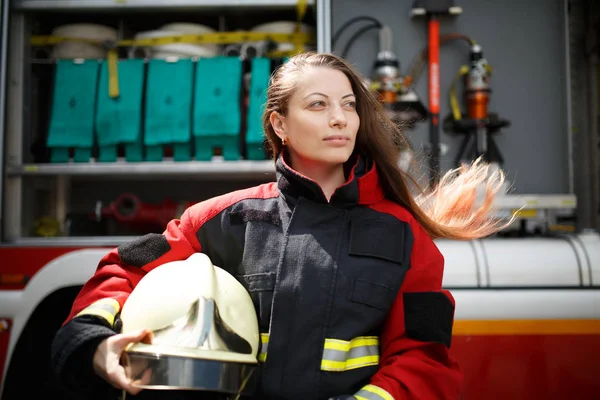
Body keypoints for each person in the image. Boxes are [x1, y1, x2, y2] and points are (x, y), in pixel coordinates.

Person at [50, 51, 507, 400]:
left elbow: (424, 359)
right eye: (318, 104)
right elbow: (122, 271)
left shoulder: (403, 236)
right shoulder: (222, 219)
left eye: (349, 105)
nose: (339, 118)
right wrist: (94, 341)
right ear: (279, 124)